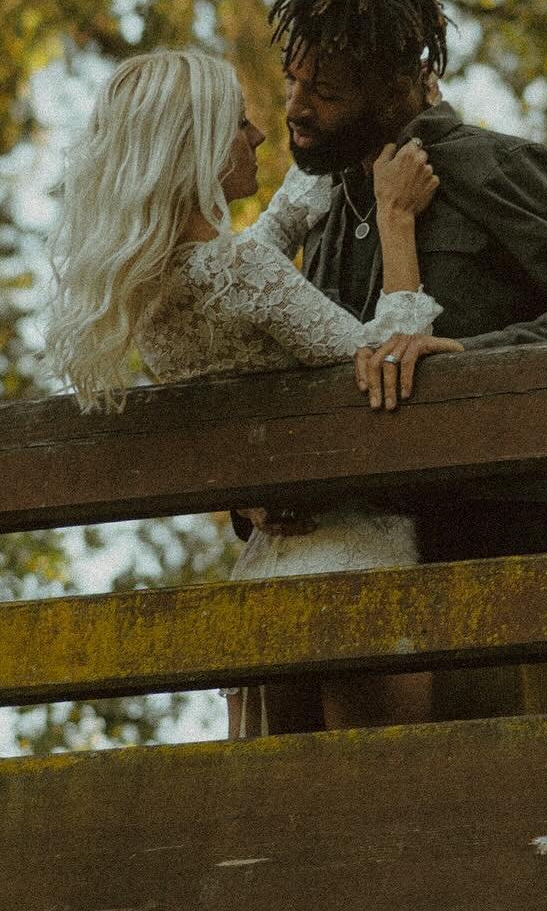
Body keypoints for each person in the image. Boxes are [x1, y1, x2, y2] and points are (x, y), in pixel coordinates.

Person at [267, 0, 547, 720]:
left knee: (493, 800)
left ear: (398, 88)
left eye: (325, 90)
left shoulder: (489, 166)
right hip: (363, 571)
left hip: (500, 553)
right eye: (292, 79)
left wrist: (469, 360)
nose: (295, 107)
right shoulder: (324, 215)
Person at [45, 47, 453, 735]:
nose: (260, 134)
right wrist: (394, 219)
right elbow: (380, 363)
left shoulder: (151, 292)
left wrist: (309, 177)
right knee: (388, 808)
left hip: (262, 585)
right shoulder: (240, 269)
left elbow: (252, 281)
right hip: (347, 567)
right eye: (238, 124)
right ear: (197, 148)